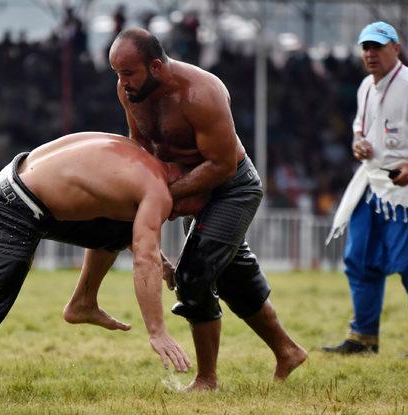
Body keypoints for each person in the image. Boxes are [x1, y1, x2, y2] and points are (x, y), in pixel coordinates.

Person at [0, 132, 197, 400]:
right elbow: (144, 257)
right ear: (188, 181)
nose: (185, 212)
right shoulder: (158, 189)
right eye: (198, 203)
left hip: (26, 188)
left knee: (121, 227)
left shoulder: (139, 160)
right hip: (15, 206)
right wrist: (157, 332)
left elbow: (142, 244)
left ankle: (83, 302)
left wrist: (162, 263)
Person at [102, 27, 307, 390]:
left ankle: (206, 380)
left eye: (128, 73)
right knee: (231, 276)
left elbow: (222, 165)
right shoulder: (129, 91)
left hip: (231, 186)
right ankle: (288, 351)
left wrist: (165, 195)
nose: (122, 82)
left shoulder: (201, 92)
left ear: (155, 66)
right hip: (184, 185)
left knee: (194, 275)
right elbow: (140, 146)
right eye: (117, 73)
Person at [323, 21, 408, 356]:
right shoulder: (365, 87)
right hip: (373, 183)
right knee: (359, 259)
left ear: (396, 49)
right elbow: (360, 129)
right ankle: (363, 337)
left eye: (378, 46)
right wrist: (359, 144)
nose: (371, 54)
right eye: (366, 47)